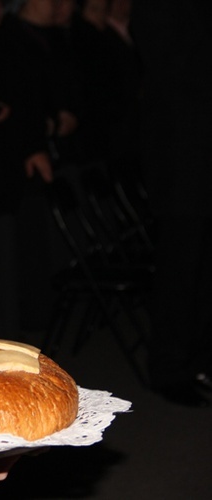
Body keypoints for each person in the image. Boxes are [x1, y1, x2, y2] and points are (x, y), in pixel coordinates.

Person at [131, 0, 212, 408]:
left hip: (196, 158)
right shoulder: (159, 10)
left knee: (201, 272)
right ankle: (170, 368)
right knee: (180, 270)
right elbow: (175, 73)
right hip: (182, 162)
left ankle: (198, 359)